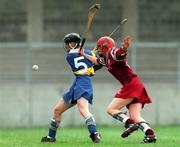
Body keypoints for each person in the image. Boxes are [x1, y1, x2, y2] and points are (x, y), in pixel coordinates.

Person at [79, 36, 157, 143]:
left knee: (111, 109)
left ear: (104, 46)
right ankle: (150, 135)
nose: (98, 50)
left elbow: (120, 53)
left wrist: (124, 47)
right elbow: (97, 61)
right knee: (135, 116)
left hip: (131, 85)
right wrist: (84, 54)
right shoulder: (106, 59)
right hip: (136, 84)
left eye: (99, 47)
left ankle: (129, 123)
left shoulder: (112, 53)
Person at [41, 33, 101, 143]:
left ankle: (95, 133)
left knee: (83, 109)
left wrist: (92, 52)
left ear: (74, 44)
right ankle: (51, 137)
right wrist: (95, 51)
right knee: (57, 110)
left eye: (68, 44)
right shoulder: (87, 53)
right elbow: (97, 63)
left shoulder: (69, 57)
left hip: (83, 83)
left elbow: (84, 58)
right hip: (78, 83)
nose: (66, 46)